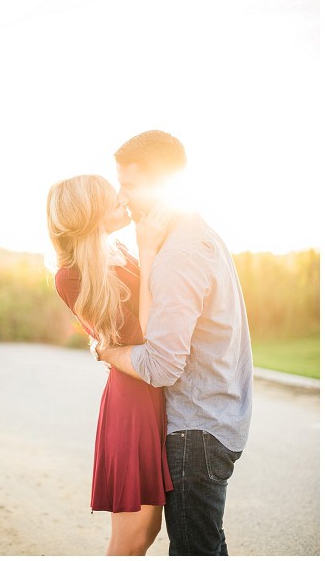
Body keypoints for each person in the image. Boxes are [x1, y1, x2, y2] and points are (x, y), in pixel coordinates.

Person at [97, 130, 253, 556]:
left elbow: (163, 365)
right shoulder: (197, 234)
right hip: (213, 423)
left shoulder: (179, 255)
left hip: (195, 433)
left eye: (128, 185)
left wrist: (109, 352)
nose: (121, 196)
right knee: (206, 545)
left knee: (195, 550)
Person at [47, 174, 173, 555]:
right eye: (110, 198)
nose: (122, 199)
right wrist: (148, 251)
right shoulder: (71, 276)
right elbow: (144, 336)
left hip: (156, 393)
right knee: (131, 539)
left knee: (149, 531)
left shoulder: (117, 251)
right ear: (91, 214)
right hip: (133, 406)